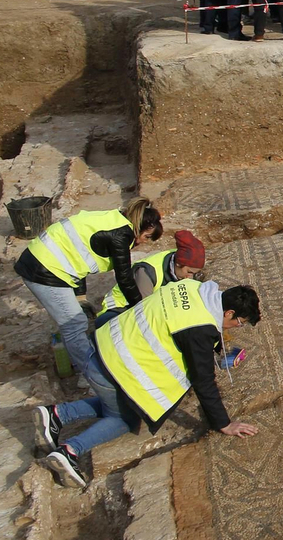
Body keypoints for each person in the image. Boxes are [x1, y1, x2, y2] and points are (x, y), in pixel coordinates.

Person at [34, 280, 262, 488]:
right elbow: (203, 380)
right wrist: (223, 424)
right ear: (229, 312)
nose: (236, 327)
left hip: (104, 345)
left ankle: (57, 414)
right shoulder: (201, 329)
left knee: (118, 402)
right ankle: (70, 451)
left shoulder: (191, 288)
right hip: (115, 366)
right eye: (239, 323)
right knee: (125, 418)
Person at [15, 199, 164, 380]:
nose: (143, 242)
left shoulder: (113, 218)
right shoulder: (121, 235)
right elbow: (124, 278)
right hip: (44, 271)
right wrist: (140, 308)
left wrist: (80, 296)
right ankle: (92, 375)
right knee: (75, 324)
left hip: (41, 259)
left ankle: (77, 359)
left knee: (76, 318)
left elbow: (79, 252)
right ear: (140, 226)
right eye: (147, 237)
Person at [94, 228, 205, 323]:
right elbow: (145, 311)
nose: (190, 278)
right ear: (178, 264)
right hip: (119, 308)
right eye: (189, 272)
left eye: (194, 274)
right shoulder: (146, 273)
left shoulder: (183, 261)